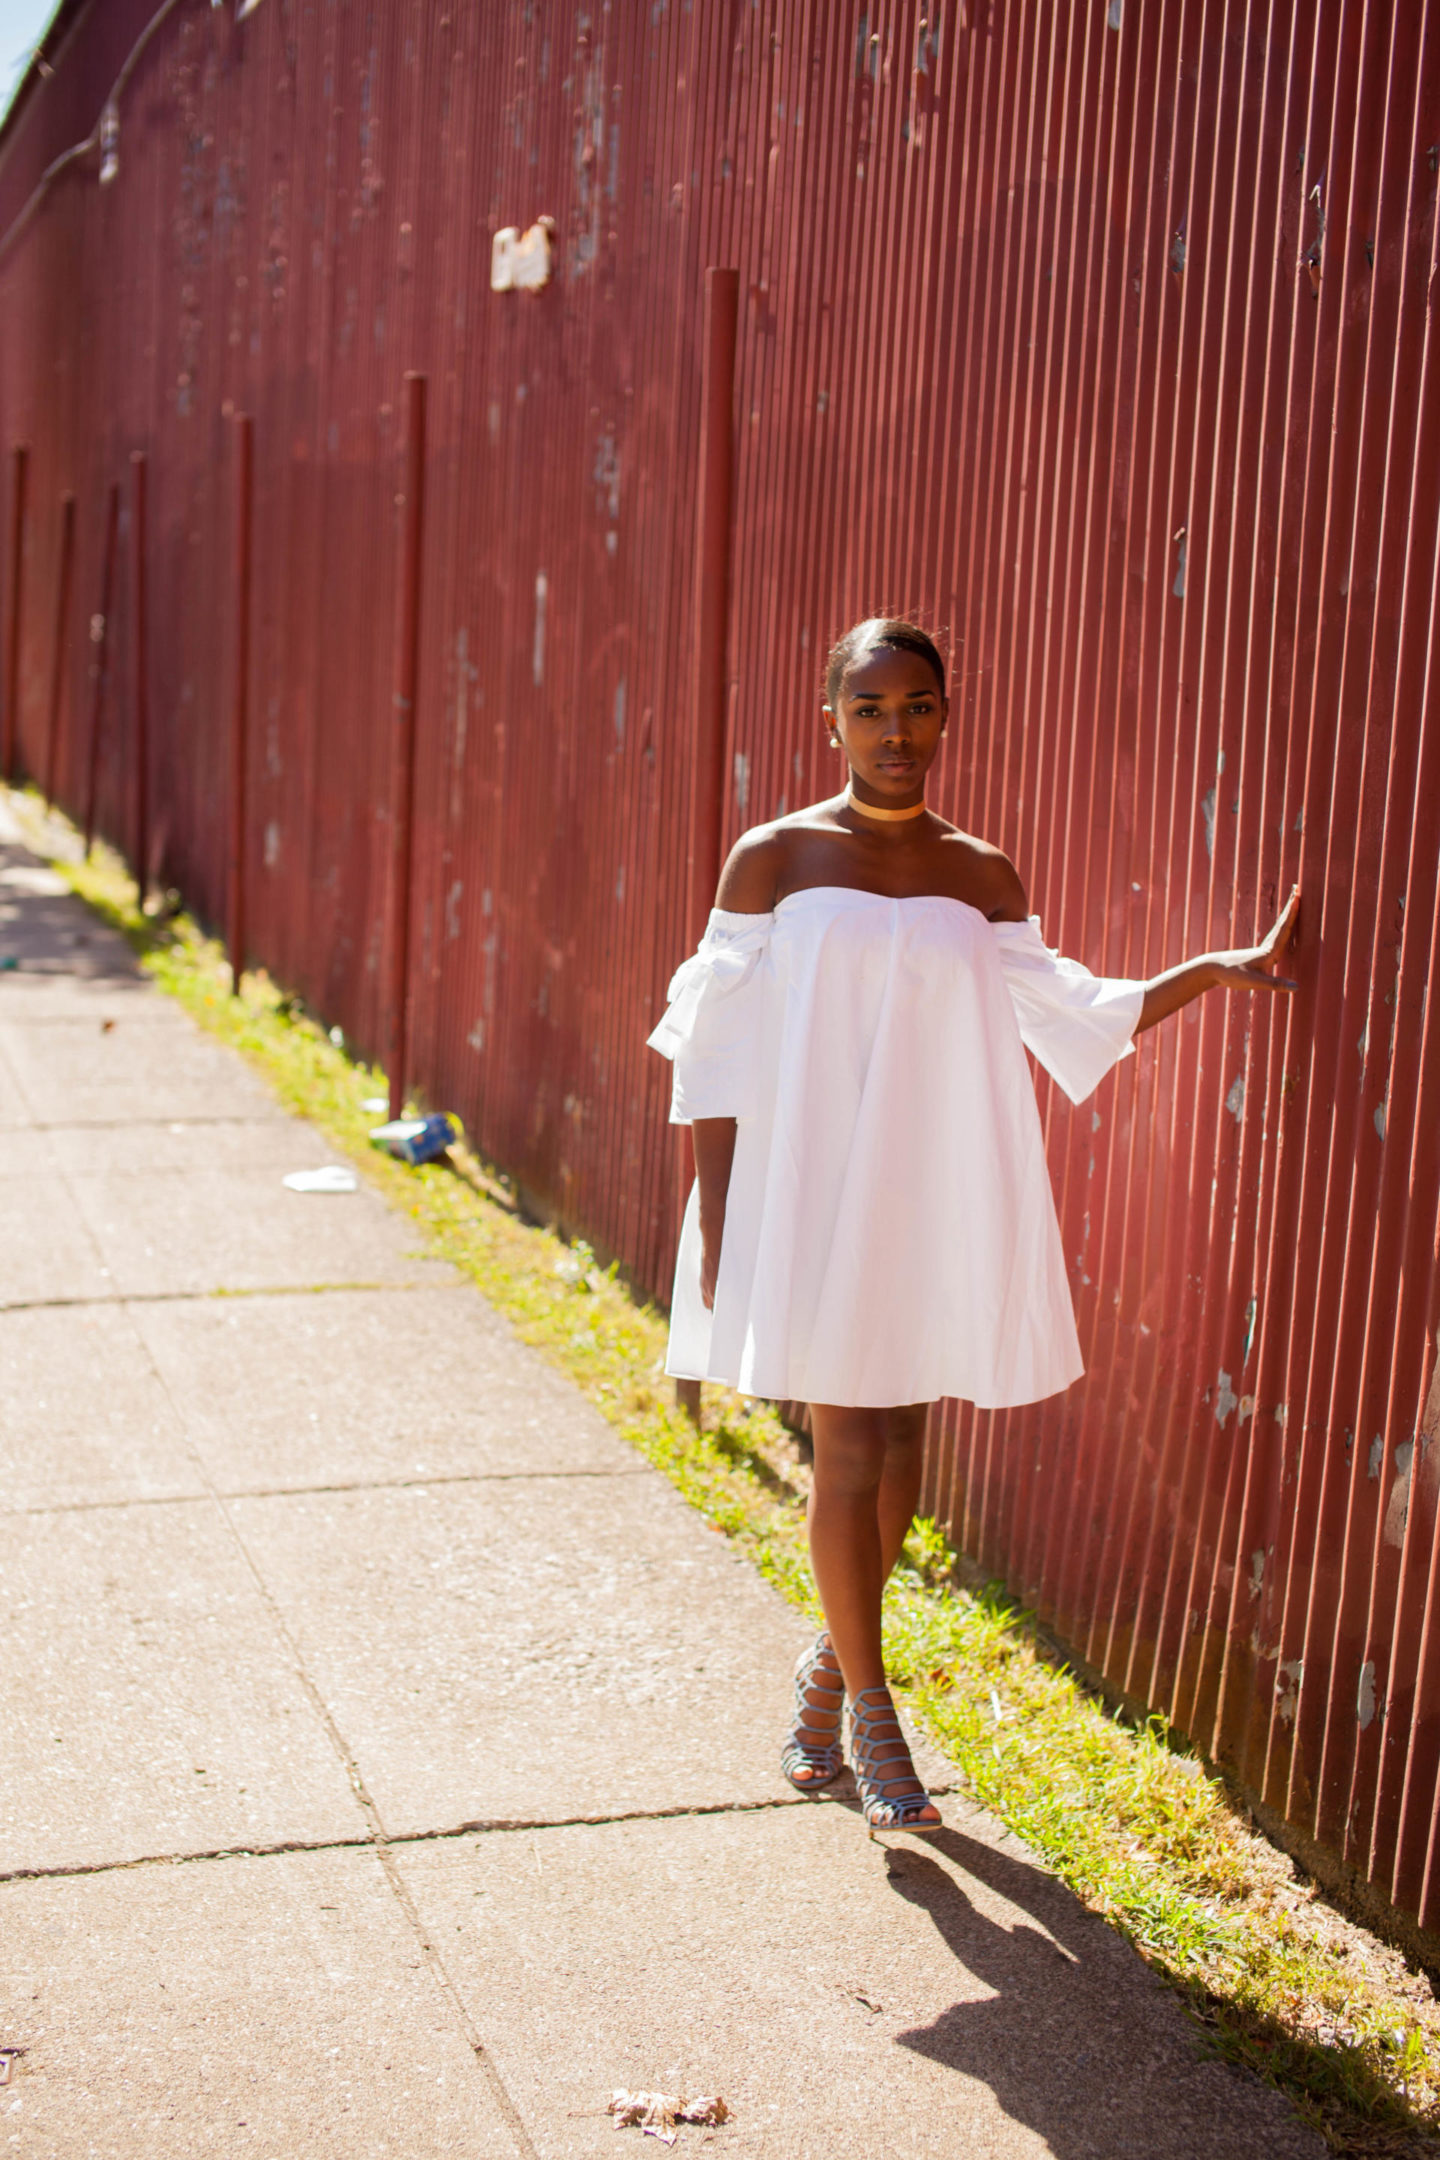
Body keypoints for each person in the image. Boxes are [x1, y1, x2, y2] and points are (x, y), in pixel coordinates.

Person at [647, 616, 1299, 1835]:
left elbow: (1073, 1015)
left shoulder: (980, 871)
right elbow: (713, 1047)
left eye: (920, 708)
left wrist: (1210, 969)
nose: (898, 731)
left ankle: (831, 1667)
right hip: (811, 1181)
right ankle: (879, 1717)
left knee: (901, 1443)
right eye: (872, 707)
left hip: (924, 1184)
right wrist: (723, 1210)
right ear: (830, 717)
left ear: (946, 717)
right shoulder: (773, 860)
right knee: (846, 1443)